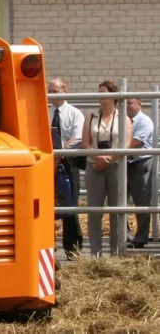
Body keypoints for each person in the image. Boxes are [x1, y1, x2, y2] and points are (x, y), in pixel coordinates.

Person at [82, 80, 132, 257]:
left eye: (103, 92)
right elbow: (86, 143)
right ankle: (95, 253)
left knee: (116, 209)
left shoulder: (124, 118)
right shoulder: (91, 116)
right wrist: (97, 157)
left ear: (113, 96)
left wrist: (107, 159)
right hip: (93, 165)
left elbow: (126, 144)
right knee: (94, 210)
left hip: (115, 166)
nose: (100, 96)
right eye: (98, 92)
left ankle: (116, 252)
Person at [48, 78, 85, 259]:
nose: (51, 94)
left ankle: (73, 248)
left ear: (65, 91)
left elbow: (76, 138)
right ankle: (49, 245)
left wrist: (60, 153)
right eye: (50, 91)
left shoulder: (74, 113)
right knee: (47, 205)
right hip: (48, 162)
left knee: (71, 203)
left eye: (54, 91)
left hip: (68, 163)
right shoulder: (44, 112)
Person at [126, 98, 154, 248]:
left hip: (140, 163)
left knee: (141, 202)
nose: (127, 106)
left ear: (139, 104)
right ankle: (125, 235)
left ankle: (141, 237)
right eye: (124, 103)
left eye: (130, 103)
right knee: (119, 200)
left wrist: (115, 149)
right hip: (124, 163)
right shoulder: (123, 120)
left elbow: (136, 143)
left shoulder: (144, 121)